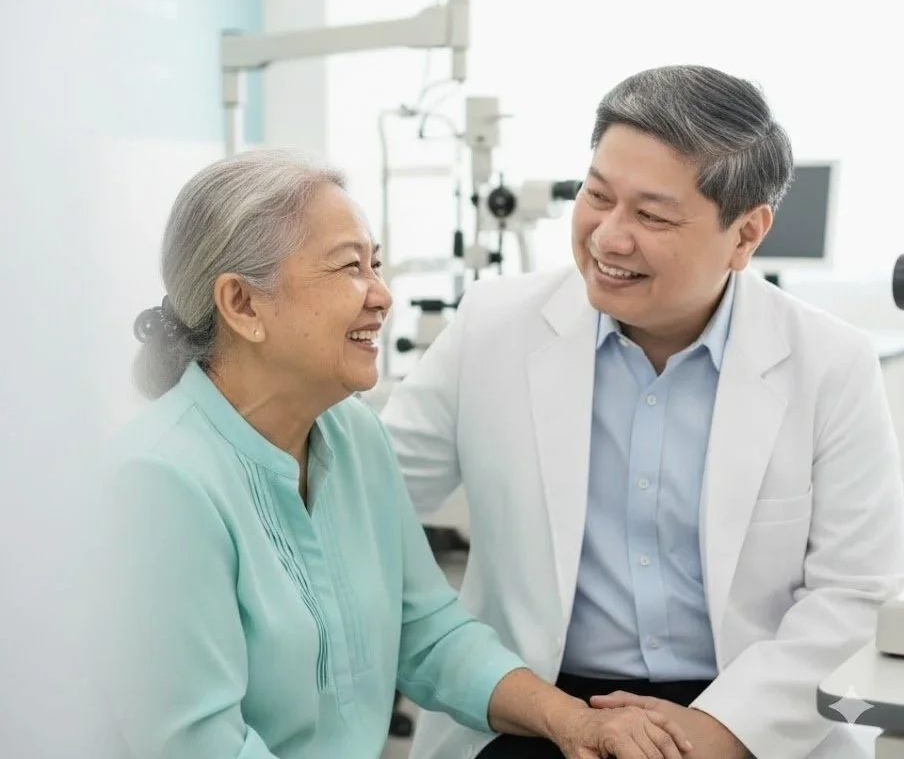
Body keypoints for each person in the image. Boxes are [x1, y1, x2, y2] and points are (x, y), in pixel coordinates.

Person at [98, 150, 695, 759]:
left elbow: (427, 633)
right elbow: (199, 744)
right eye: (349, 267)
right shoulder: (160, 483)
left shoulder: (354, 436)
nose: (381, 295)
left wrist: (575, 724)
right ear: (243, 305)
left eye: (376, 264)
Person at [381, 64, 904, 759]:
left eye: (651, 216)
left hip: (750, 715)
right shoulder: (493, 327)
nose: (608, 238)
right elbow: (367, 502)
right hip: (541, 710)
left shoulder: (831, 362)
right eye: (597, 196)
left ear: (746, 234)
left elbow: (855, 593)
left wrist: (715, 732)